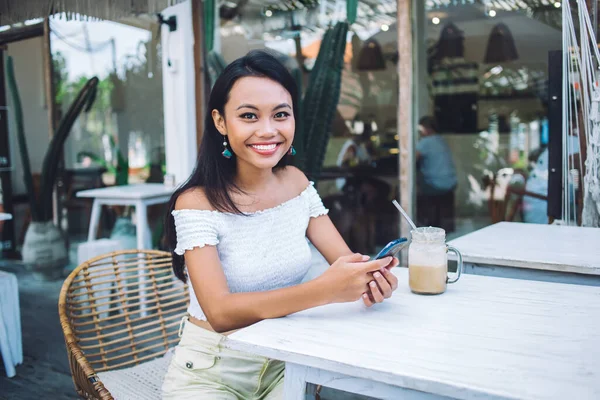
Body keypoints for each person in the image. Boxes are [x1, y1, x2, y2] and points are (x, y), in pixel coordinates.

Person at [162, 50, 399, 399]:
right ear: (221, 122)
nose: (268, 130)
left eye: (281, 115)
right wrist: (327, 289)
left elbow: (345, 263)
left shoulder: (297, 184)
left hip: (287, 362)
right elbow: (220, 313)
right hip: (212, 371)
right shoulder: (197, 203)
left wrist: (371, 279)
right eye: (248, 116)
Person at [416, 116, 458, 232]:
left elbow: (410, 160)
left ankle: (425, 224)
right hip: (451, 183)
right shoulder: (441, 139)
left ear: (427, 129)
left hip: (436, 185)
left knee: (416, 182)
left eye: (421, 130)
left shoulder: (425, 142)